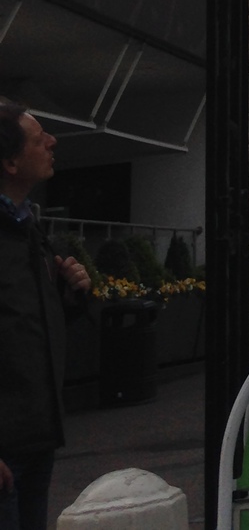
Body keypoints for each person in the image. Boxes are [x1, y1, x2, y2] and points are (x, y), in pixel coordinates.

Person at [0, 102, 90, 530]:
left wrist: (71, 295)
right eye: (39, 140)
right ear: (10, 162)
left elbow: (24, 324)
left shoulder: (27, 228)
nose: (53, 142)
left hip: (36, 437)